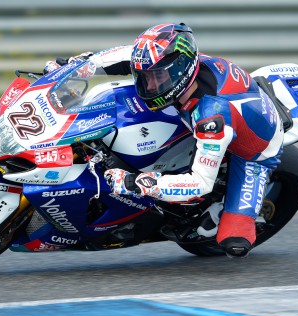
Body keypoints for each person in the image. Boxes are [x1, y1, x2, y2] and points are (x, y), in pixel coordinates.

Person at [45, 23, 283, 258]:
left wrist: (133, 182)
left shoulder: (212, 117)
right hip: (213, 112)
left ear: (180, 71)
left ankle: (231, 213)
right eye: (144, 77)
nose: (148, 86)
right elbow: (113, 57)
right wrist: (74, 67)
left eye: (156, 78)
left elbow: (200, 183)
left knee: (234, 242)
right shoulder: (171, 61)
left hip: (254, 152)